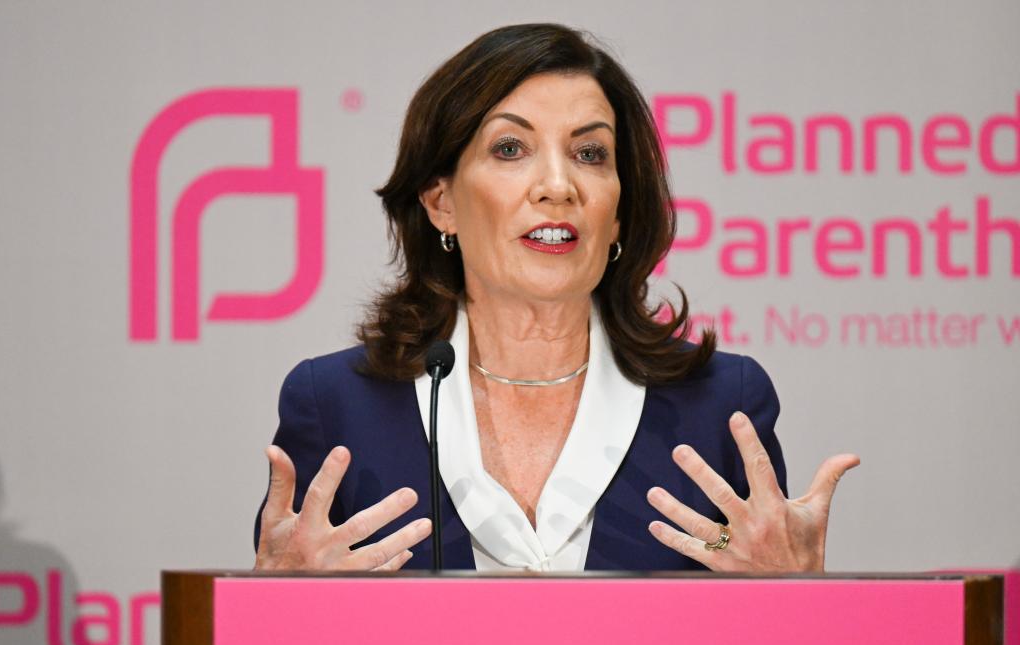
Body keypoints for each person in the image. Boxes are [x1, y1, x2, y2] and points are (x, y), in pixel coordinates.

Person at [253, 23, 859, 573]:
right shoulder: (336, 406)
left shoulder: (721, 407)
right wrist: (272, 609)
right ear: (442, 202)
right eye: (510, 149)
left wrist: (793, 595)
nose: (557, 186)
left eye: (590, 154)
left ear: (618, 213)